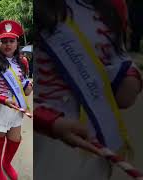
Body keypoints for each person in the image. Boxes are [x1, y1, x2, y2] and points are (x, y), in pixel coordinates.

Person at [35, 0, 143, 180]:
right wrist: (48, 121)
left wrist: (131, 75)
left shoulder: (113, 5)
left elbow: (119, 55)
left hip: (95, 140)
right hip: (43, 140)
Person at [0, 20, 33, 180]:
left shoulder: (23, 62)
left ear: (17, 43)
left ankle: (6, 163)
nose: (7, 44)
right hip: (1, 106)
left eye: (11, 41)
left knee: (15, 138)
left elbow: (22, 84)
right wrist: (2, 99)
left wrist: (28, 87)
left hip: (16, 107)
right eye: (3, 41)